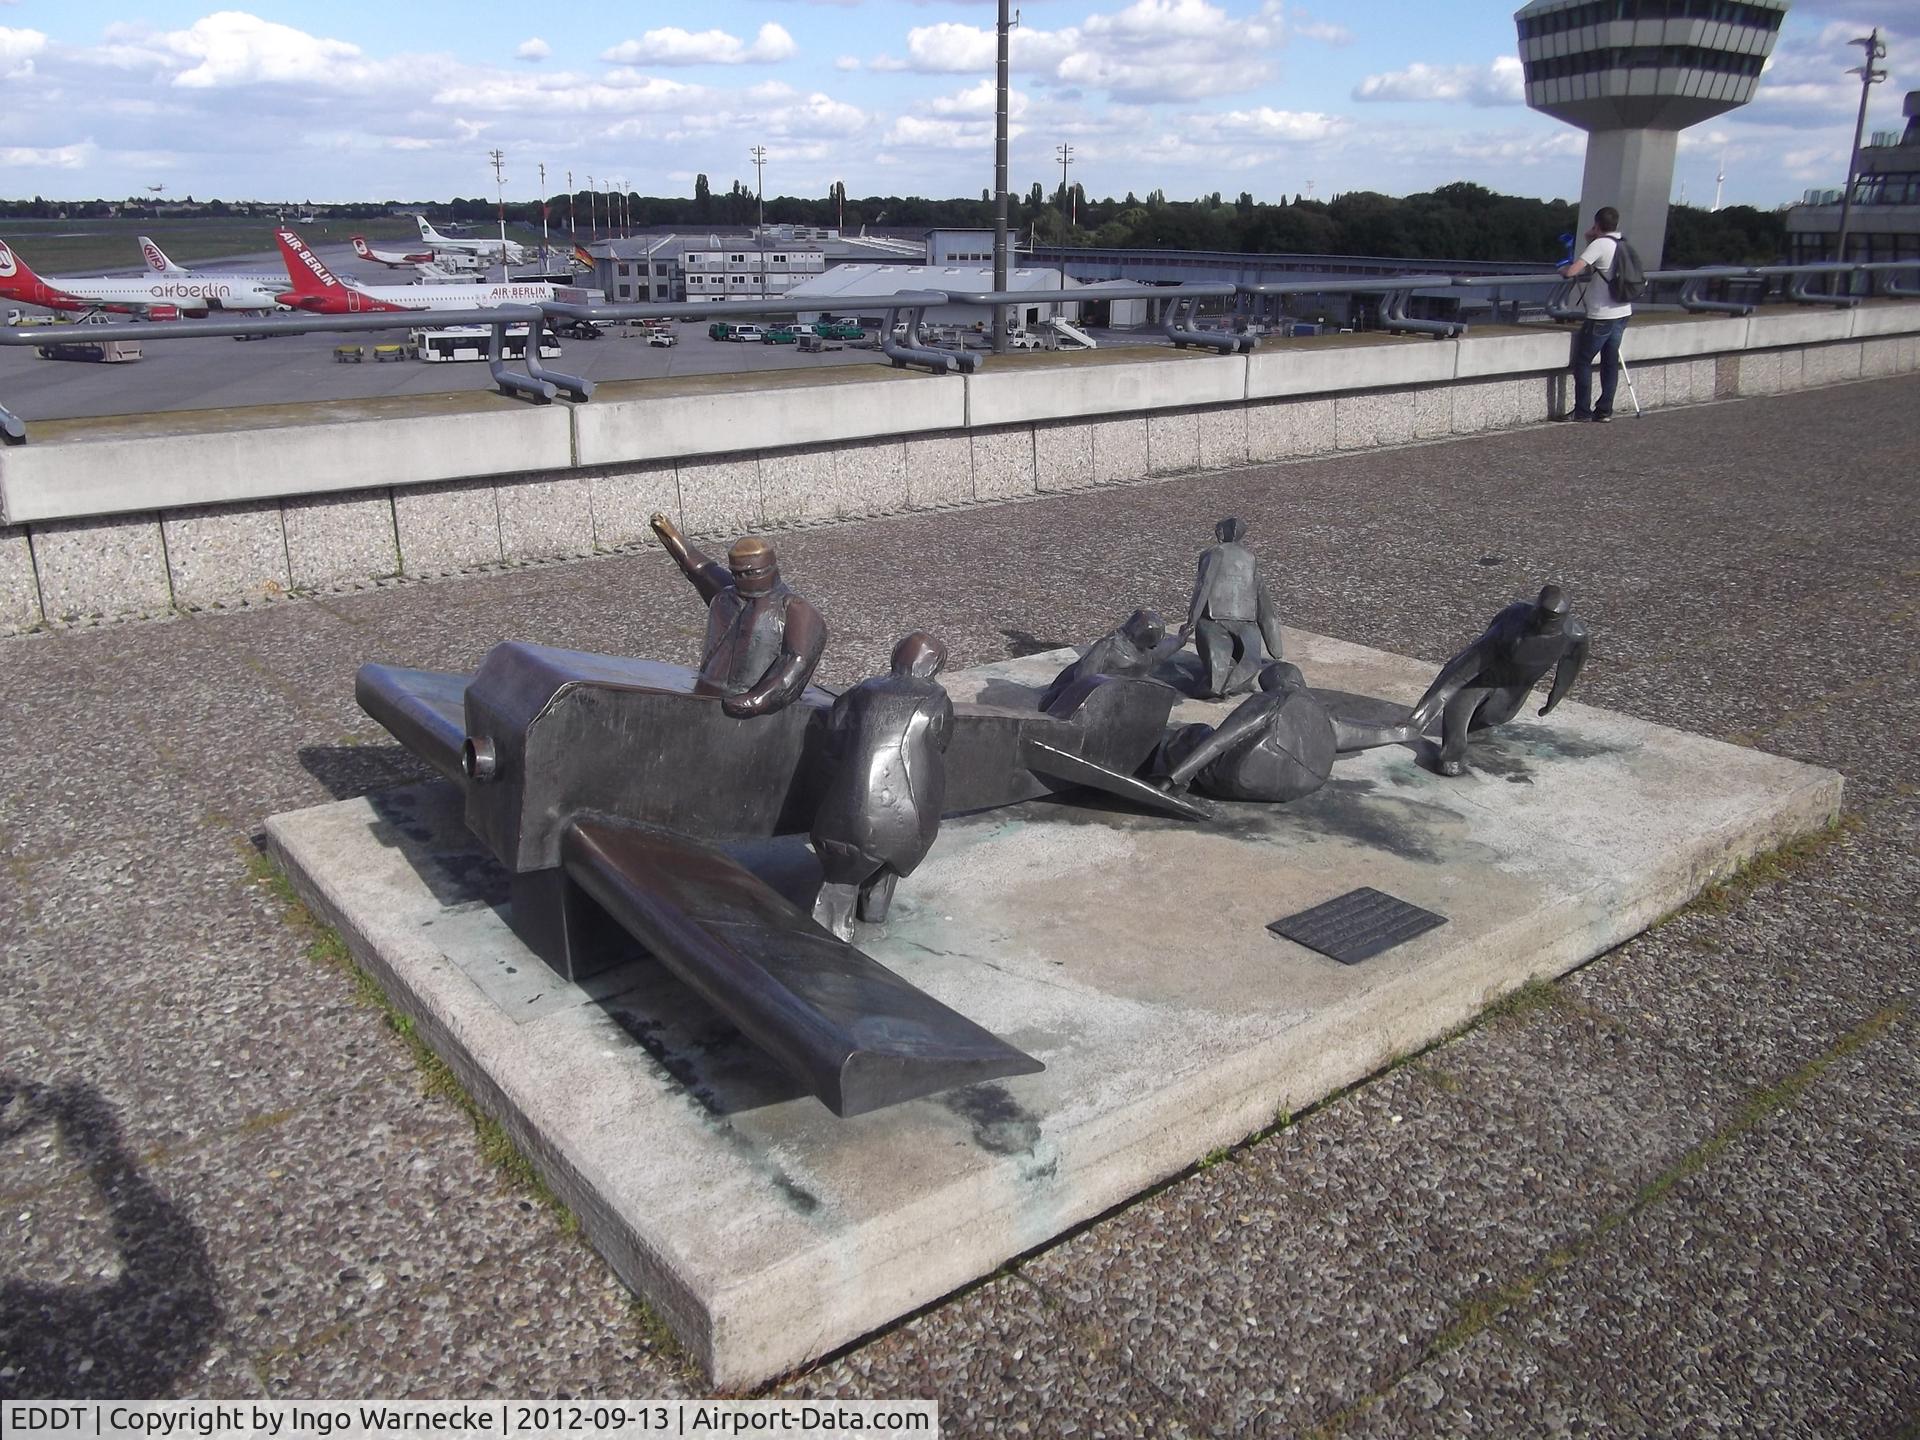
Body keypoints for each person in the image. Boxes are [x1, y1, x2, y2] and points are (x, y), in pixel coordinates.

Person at [810, 632, 955, 939]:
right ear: (933, 667)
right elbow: (939, 743)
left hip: (849, 817)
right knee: (890, 860)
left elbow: (833, 743)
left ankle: (830, 935)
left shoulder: (862, 691)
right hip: (909, 819)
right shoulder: (938, 699)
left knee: (842, 875)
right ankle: (875, 911)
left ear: (894, 659)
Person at [1156, 662, 1421, 803]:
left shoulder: (1271, 700)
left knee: (1195, 733)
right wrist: (1400, 732)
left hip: (1239, 780)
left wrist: (1174, 777)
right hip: (1303, 785)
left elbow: (1221, 740)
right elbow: (1361, 734)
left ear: (1271, 685)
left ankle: (1183, 782)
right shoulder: (1323, 714)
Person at [649, 512, 827, 718]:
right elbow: (700, 570)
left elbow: (796, 661)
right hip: (707, 694)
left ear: (770, 568)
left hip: (753, 708)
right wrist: (671, 535)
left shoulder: (794, 608)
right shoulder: (727, 596)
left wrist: (758, 700)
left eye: (749, 573)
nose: (741, 579)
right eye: (736, 574)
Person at [1407, 585, 1592, 777]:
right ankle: (1452, 753)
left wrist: (1554, 698)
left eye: (1551, 620)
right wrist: (1420, 717)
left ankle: (1474, 728)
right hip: (1482, 674)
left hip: (1516, 685)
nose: (1542, 623)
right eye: (1541, 616)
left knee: (1494, 717)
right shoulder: (1513, 624)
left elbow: (1570, 668)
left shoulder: (1575, 636)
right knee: (1458, 709)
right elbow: (1462, 669)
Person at [1180, 518, 1286, 698]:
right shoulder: (1250, 558)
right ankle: (1228, 681)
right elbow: (1265, 605)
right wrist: (1275, 646)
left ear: (1221, 533)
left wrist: (1192, 621)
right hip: (1244, 622)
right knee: (1244, 665)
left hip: (1216, 620)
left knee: (1223, 672)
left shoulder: (1214, 553)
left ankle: (1223, 682)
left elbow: (1204, 585)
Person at [1556, 206, 1633, 423]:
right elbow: (1601, 267)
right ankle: (1605, 410)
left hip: (1602, 315)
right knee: (1610, 361)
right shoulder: (1622, 243)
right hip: (1623, 312)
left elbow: (1574, 271)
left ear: (1597, 224)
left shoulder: (1600, 244)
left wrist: (1562, 269)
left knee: (1583, 361)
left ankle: (1582, 410)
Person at [1038, 608, 1169, 712]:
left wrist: (1179, 641)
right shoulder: (1109, 645)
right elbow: (1084, 677)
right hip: (1082, 693)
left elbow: (1154, 658)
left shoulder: (1142, 650)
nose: (1154, 647)